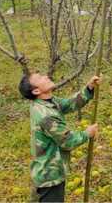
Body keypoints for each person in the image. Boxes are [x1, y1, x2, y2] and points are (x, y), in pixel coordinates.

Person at [19, 72, 101, 202]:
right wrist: (87, 133)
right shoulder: (45, 115)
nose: (45, 76)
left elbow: (69, 104)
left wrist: (89, 88)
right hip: (49, 176)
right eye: (40, 78)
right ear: (36, 91)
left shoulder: (47, 102)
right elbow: (68, 141)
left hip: (49, 172)